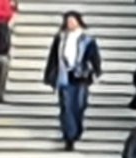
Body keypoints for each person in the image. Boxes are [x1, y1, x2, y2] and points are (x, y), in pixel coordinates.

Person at [43, 11, 101, 150]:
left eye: (73, 21)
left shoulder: (88, 40)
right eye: (68, 21)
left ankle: (77, 129)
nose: (70, 24)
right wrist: (49, 75)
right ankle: (69, 136)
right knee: (66, 106)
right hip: (64, 76)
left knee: (80, 105)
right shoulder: (60, 38)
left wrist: (96, 70)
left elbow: (94, 57)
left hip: (82, 76)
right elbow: (53, 58)